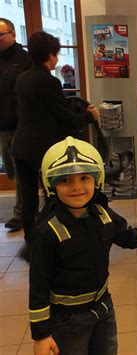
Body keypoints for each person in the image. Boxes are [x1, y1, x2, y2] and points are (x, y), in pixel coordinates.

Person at [29, 136, 137, 355]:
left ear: (96, 180)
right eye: (66, 180)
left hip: (103, 307)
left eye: (84, 178)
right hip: (68, 320)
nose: (77, 187)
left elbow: (127, 237)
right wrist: (41, 335)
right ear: (51, 184)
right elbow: (38, 287)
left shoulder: (102, 215)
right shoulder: (48, 232)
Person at [13, 31, 99, 251]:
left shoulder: (22, 78)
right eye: (56, 54)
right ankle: (54, 244)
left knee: (28, 198)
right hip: (43, 150)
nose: (57, 59)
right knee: (53, 195)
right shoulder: (48, 81)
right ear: (50, 55)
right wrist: (90, 116)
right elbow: (67, 119)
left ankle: (32, 243)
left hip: (21, 146)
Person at [0, 18, 32, 231]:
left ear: (12, 34)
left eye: (1, 34)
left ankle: (20, 213)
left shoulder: (24, 59)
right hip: (2, 126)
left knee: (21, 171)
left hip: (22, 125)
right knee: (11, 171)